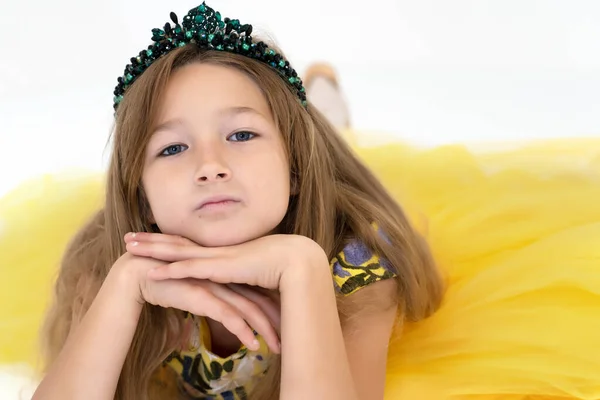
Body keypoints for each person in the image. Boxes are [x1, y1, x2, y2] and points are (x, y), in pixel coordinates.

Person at [31, 3, 443, 400]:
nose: (210, 166)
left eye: (241, 135)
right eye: (173, 148)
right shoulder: (105, 264)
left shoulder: (356, 267)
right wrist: (126, 284)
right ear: (144, 201)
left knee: (336, 138)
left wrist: (302, 268)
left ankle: (327, 104)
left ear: (296, 168)